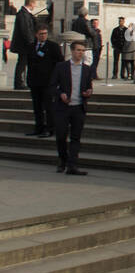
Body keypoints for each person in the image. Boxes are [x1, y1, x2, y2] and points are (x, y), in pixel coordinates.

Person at [52, 38, 93, 175]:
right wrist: (61, 94)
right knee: (61, 136)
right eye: (78, 50)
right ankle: (62, 160)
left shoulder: (87, 69)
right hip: (63, 107)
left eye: (83, 51)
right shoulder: (61, 67)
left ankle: (72, 165)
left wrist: (88, 92)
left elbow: (89, 87)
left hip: (78, 107)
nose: (80, 53)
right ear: (72, 51)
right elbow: (52, 86)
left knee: (76, 138)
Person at [25, 22, 62, 138]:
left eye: (45, 34)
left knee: (48, 107)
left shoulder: (53, 46)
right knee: (37, 107)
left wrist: (56, 79)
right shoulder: (31, 46)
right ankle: (38, 127)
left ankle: (50, 129)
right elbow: (29, 63)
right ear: (36, 34)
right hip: (34, 82)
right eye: (41, 34)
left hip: (47, 82)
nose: (43, 36)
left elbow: (59, 63)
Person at [10, 0, 39, 89]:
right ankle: (19, 83)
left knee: (23, 63)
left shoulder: (26, 14)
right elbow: (25, 30)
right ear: (31, 3)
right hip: (24, 45)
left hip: (24, 44)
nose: (35, 6)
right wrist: (31, 43)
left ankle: (21, 82)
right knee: (22, 64)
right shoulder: (23, 14)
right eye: (35, 4)